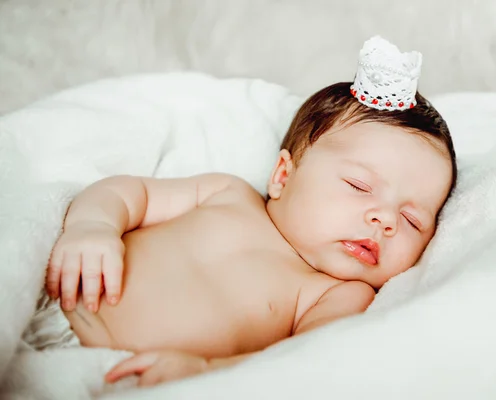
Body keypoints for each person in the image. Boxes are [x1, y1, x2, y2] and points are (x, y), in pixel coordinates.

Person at [33, 36, 457, 387]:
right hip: (57, 301)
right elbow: (129, 194)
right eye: (359, 186)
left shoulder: (335, 293)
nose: (383, 220)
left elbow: (300, 359)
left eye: (411, 220)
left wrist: (205, 372)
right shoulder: (226, 193)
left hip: (120, 375)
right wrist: (93, 227)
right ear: (283, 176)